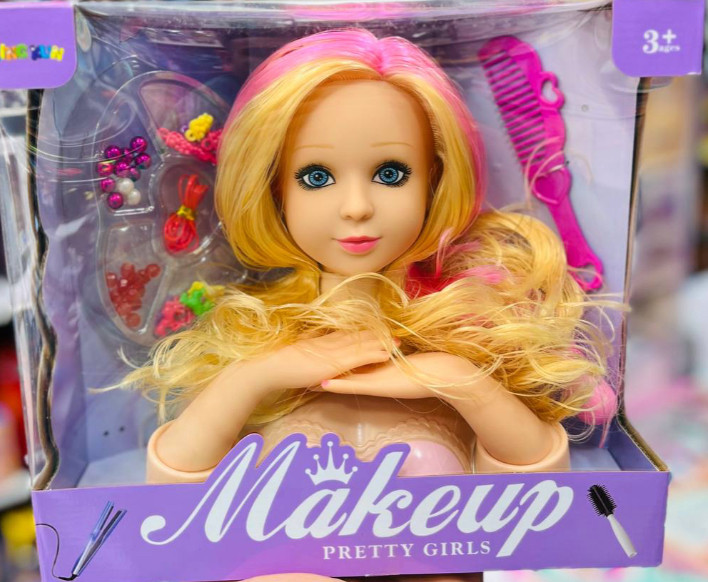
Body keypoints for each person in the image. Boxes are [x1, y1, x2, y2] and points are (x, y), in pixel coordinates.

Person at [128, 28, 610, 581]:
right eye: (316, 177)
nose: (356, 207)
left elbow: (541, 500)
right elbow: (170, 509)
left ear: (434, 180)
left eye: (390, 174)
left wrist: (462, 382)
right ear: (275, 189)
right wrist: (254, 376)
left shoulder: (464, 331)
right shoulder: (253, 333)